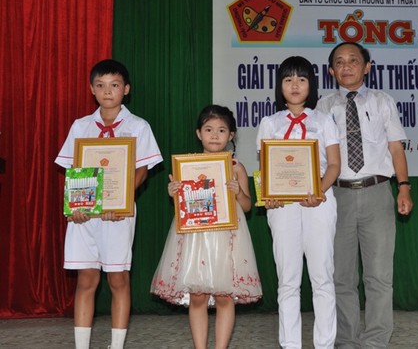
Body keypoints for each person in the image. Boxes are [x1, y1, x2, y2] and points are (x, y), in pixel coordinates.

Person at [54, 59, 163, 349]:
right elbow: (72, 169)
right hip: (85, 216)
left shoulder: (138, 126)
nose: (107, 91)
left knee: (118, 279)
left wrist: (123, 199)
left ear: (125, 89)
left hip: (119, 214)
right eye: (100, 86)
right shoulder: (81, 126)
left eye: (114, 85)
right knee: (86, 279)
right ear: (92, 89)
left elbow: (142, 170)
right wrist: (75, 206)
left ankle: (116, 346)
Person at [317, 42, 413, 348]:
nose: (347, 67)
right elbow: (314, 155)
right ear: (331, 71)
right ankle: (346, 339)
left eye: (353, 61)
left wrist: (404, 186)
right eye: (339, 62)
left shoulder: (383, 101)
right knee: (342, 277)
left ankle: (375, 341)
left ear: (367, 67)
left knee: (379, 275)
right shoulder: (323, 107)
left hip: (376, 193)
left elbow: (395, 147)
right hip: (336, 195)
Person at [151, 104, 262, 349]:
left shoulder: (236, 167)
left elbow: (246, 206)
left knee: (225, 297)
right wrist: (174, 193)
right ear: (198, 133)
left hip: (228, 236)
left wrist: (237, 192)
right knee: (198, 297)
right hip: (196, 237)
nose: (214, 135)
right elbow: (183, 204)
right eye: (209, 129)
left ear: (231, 136)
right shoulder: (187, 166)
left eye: (222, 130)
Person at [256, 56, 341, 348]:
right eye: (288, 79)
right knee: (288, 281)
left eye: (301, 79)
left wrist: (318, 190)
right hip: (283, 207)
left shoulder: (325, 120)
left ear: (311, 85)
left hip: (320, 201)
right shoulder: (269, 123)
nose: (295, 85)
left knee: (322, 277)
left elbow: (334, 165)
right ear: (280, 85)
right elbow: (264, 169)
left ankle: (325, 344)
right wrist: (268, 195)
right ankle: (290, 344)